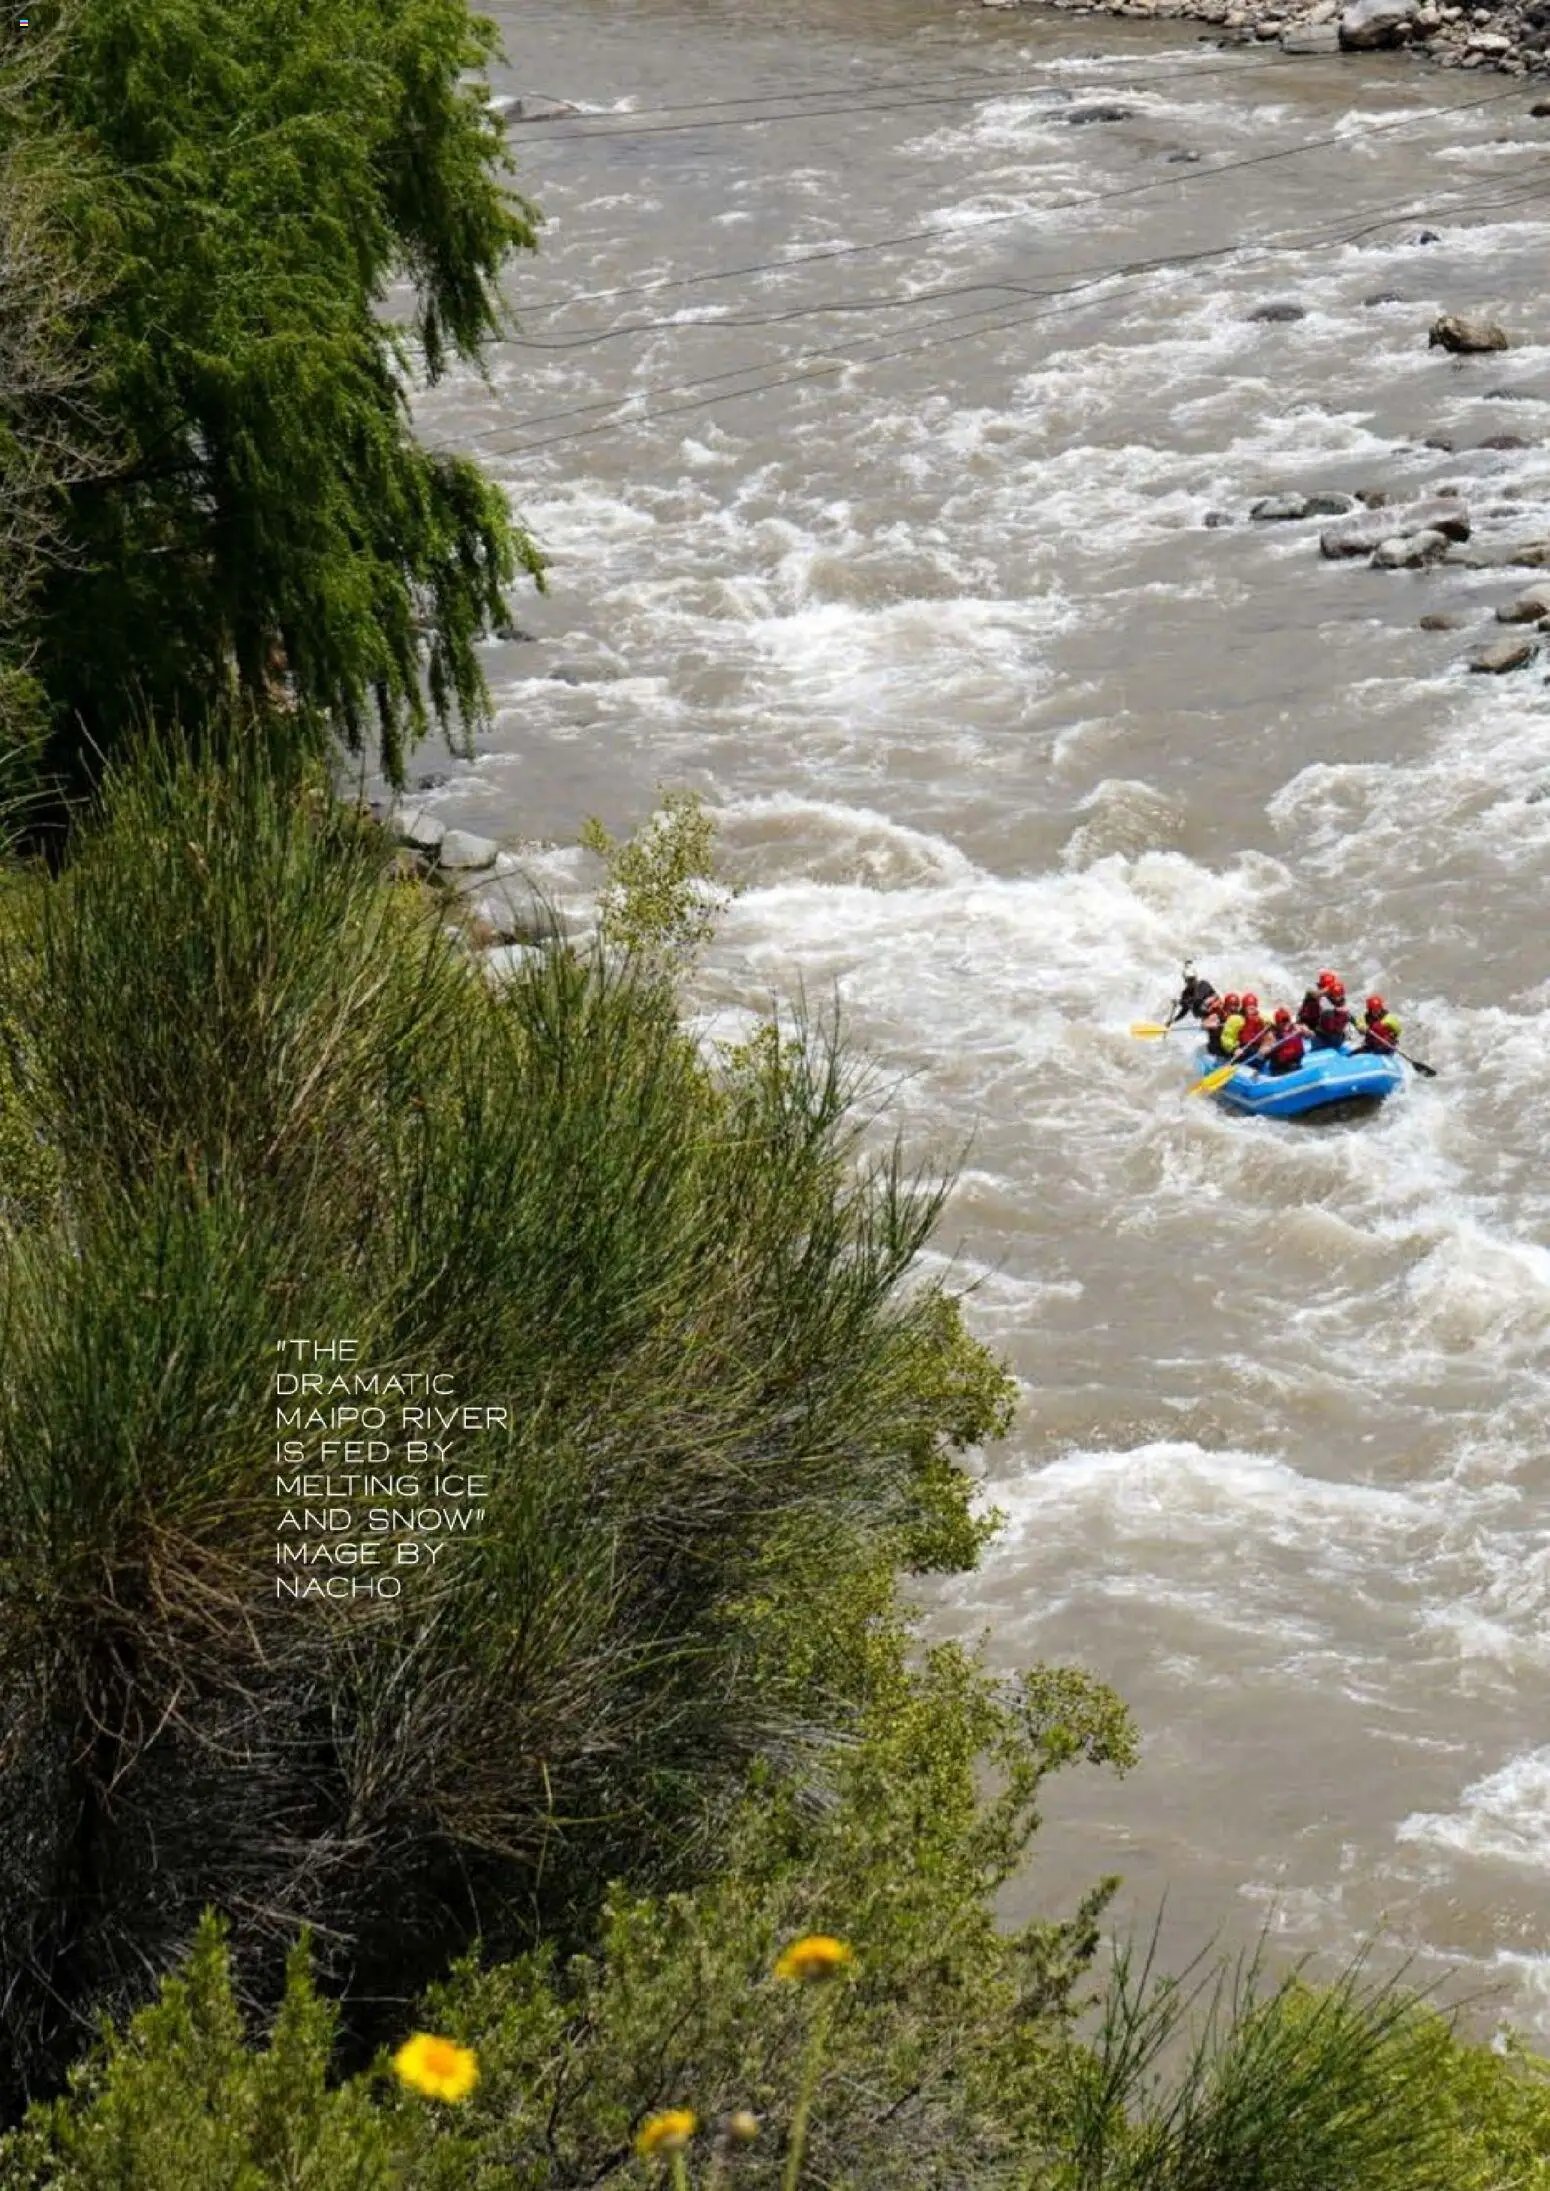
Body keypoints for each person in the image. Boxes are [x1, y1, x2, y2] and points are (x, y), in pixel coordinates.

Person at [1262, 1005, 1306, 1075]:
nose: (1286, 1024)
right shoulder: (1272, 1034)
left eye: (1287, 1021)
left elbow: (1311, 1035)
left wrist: (1306, 1031)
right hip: (1280, 1070)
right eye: (1282, 1023)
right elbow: (1262, 1050)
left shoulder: (1295, 1028)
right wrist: (1265, 1049)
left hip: (1295, 1065)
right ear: (1277, 1023)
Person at [1310, 977, 1352, 1049]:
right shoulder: (1324, 1001)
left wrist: (1359, 1025)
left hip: (1336, 1037)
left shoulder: (1344, 1005)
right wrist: (1338, 1010)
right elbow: (1315, 997)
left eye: (1339, 995)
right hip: (1321, 1038)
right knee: (1329, 1014)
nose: (1338, 997)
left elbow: (1351, 1017)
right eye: (1335, 995)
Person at [1298, 968, 1341, 1032]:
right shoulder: (1311, 995)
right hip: (1308, 1025)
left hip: (1321, 1025)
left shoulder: (1333, 998)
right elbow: (1313, 994)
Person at [1234, 993, 1269, 1065]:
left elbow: (1269, 1036)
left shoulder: (1262, 1019)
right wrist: (1234, 1049)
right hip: (1241, 1050)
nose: (1253, 1009)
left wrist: (1266, 1045)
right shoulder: (1237, 1020)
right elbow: (1228, 1037)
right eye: (1249, 1007)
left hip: (1256, 1049)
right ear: (1244, 1008)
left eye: (1254, 1006)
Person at [1209, 992, 1242, 1059]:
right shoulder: (1218, 1014)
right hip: (1218, 1046)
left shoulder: (1239, 1015)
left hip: (1232, 1044)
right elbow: (1206, 1023)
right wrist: (1212, 1024)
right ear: (1226, 1006)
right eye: (1231, 1006)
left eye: (1236, 1006)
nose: (1234, 1008)